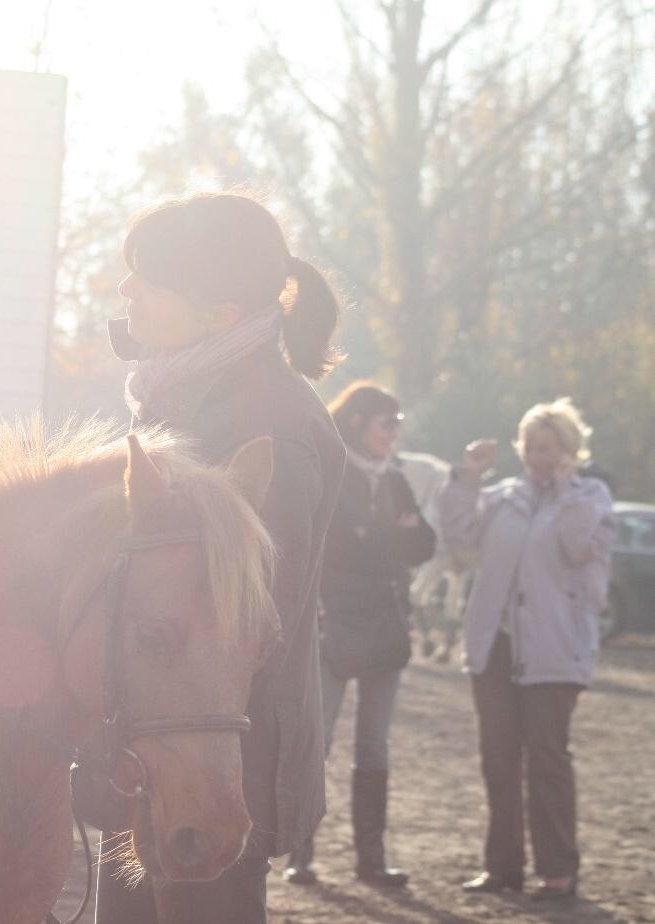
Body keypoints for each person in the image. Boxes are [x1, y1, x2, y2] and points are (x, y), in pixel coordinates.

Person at [91, 192, 346, 924]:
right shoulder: (185, 390)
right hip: (163, 747)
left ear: (222, 314)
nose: (125, 291)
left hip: (213, 764)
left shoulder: (268, 425)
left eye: (148, 279)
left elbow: (249, 625)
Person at [439, 398, 615, 901]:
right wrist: (466, 479)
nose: (538, 456)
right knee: (497, 760)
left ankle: (558, 871)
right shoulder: (502, 497)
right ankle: (502, 867)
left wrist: (564, 487)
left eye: (551, 448)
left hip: (555, 651)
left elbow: (580, 546)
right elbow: (459, 540)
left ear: (570, 451)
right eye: (533, 447)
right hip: (495, 646)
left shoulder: (591, 496)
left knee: (547, 761)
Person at [283, 382, 435, 888]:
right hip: (334, 628)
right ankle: (298, 853)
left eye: (398, 422)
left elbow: (422, 547)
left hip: (385, 630)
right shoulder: (335, 472)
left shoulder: (394, 480)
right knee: (317, 741)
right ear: (357, 423)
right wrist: (387, 535)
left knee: (375, 746)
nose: (395, 432)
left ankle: (372, 859)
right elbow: (338, 547)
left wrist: (380, 535)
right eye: (386, 422)